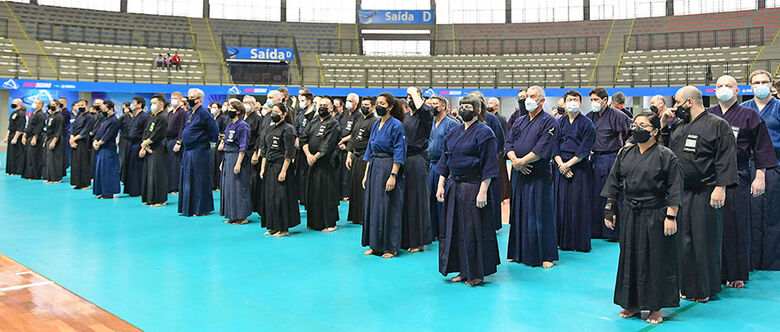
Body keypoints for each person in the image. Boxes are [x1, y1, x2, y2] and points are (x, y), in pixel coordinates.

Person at [602, 111, 683, 324]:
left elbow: (674, 187)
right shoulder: (625, 153)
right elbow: (614, 182)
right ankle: (632, 303)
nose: (637, 129)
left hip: (655, 211)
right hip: (630, 209)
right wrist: (610, 209)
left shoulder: (666, 155)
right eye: (635, 124)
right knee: (629, 256)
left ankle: (656, 307)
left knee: (655, 258)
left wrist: (671, 216)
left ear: (655, 131)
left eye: (643, 125)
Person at [662, 86, 737, 303]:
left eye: (677, 102)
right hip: (680, 191)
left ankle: (704, 288)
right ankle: (684, 285)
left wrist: (720, 187)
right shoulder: (678, 125)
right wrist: (664, 125)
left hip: (706, 191)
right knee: (681, 241)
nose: (675, 107)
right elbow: (666, 152)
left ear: (689, 102)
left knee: (703, 240)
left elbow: (725, 157)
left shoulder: (717, 125)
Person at [708, 75, 777, 288]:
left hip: (739, 175)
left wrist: (760, 175)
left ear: (737, 90)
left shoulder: (749, 115)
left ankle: (736, 273)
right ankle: (712, 271)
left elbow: (762, 148)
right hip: (711, 177)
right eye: (720, 86)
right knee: (711, 226)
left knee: (736, 224)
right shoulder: (708, 115)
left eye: (728, 86)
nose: (724, 89)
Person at [435, 94, 500, 286]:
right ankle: (463, 270)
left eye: (468, 106)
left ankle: (476, 273)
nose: (464, 109)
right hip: (454, 186)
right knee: (455, 230)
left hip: (474, 186)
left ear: (478, 110)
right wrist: (440, 184)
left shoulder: (485, 132)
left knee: (473, 231)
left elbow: (489, 163)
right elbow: (444, 160)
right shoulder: (454, 132)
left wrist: (483, 190)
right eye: (461, 105)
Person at [505, 86, 559, 268]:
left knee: (540, 213)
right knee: (519, 211)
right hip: (520, 174)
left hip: (538, 174)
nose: (527, 99)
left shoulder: (550, 122)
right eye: (526, 96)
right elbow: (509, 142)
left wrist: (522, 161)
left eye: (532, 96)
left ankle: (545, 255)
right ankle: (517, 251)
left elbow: (543, 147)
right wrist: (515, 160)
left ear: (541, 100)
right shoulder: (519, 121)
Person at [741, 70, 780, 271]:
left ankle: (772, 261)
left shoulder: (779, 108)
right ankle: (752, 259)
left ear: (771, 84)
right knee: (751, 214)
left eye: (765, 81)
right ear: (751, 86)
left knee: (773, 214)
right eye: (757, 82)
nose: (761, 85)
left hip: (775, 166)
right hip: (749, 167)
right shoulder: (744, 109)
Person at [362, 92, 408, 258]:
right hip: (374, 168)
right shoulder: (375, 125)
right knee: (373, 207)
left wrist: (393, 175)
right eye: (378, 103)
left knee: (389, 207)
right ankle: (375, 245)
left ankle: (391, 247)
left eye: (382, 103)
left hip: (388, 168)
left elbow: (399, 151)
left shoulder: (396, 126)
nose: (379, 106)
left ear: (390, 106)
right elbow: (370, 149)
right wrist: (366, 174)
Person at [553, 90, 596, 252]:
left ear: (581, 103)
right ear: (564, 103)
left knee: (578, 204)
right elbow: (554, 146)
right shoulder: (559, 123)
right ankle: (560, 240)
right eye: (569, 99)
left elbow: (585, 149)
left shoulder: (587, 124)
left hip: (579, 168)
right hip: (560, 166)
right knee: (560, 204)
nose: (572, 102)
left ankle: (578, 242)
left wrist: (568, 165)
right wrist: (561, 165)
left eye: (575, 99)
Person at [588, 88, 633, 241]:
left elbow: (633, 131)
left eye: (596, 99)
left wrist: (628, 145)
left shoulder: (618, 115)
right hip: (595, 159)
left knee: (613, 195)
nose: (593, 103)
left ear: (605, 100)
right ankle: (596, 230)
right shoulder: (590, 117)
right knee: (595, 195)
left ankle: (614, 232)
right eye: (591, 100)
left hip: (611, 158)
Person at [301, 96, 341, 232]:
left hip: (326, 164)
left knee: (327, 194)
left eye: (325, 105)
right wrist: (308, 155)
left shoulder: (333, 123)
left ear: (331, 108)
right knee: (313, 193)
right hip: (311, 163)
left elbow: (328, 144)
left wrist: (315, 156)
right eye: (320, 105)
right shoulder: (314, 120)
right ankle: (314, 222)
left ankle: (330, 223)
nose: (322, 107)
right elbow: (304, 137)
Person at [259, 103, 300, 235]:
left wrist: (283, 171)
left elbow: (289, 152)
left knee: (280, 197)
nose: (274, 114)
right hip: (270, 166)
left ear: (284, 114)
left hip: (281, 165)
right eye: (273, 112)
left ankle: (283, 228)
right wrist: (262, 168)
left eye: (277, 112)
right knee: (270, 197)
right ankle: (273, 225)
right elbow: (265, 150)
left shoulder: (288, 129)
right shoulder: (270, 128)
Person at [402, 87, 435, 252]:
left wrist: (414, 92)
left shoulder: (425, 116)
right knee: (405, 200)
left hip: (418, 160)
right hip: (403, 161)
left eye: (413, 97)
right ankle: (405, 238)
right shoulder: (406, 117)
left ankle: (417, 241)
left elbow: (425, 109)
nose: (410, 99)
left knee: (417, 201)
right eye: (407, 97)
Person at [178, 88, 220, 217]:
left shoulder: (204, 113)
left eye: (192, 97)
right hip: (188, 150)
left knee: (199, 179)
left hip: (200, 150)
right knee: (188, 179)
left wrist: (208, 142)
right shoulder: (191, 113)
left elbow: (214, 131)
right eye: (189, 97)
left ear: (199, 99)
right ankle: (189, 207)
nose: (190, 99)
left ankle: (201, 208)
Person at [428, 96, 459, 239]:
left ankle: (444, 232)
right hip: (431, 165)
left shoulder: (451, 125)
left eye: (436, 104)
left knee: (443, 200)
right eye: (431, 104)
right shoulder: (431, 123)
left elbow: (452, 149)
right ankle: (433, 232)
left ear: (443, 106)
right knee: (431, 200)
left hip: (444, 167)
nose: (433, 106)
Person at [346, 97, 379, 225]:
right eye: (363, 104)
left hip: (365, 156)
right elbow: (353, 137)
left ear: (373, 107)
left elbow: (372, 143)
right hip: (355, 155)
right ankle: (355, 216)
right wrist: (349, 155)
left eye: (367, 105)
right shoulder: (359, 119)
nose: (364, 107)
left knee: (363, 186)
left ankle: (363, 216)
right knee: (354, 186)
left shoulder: (374, 122)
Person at [218, 99, 251, 225]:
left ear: (238, 111)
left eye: (231, 108)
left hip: (237, 157)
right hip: (228, 156)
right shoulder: (229, 125)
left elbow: (243, 146)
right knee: (228, 188)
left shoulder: (243, 126)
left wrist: (238, 163)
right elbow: (226, 142)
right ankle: (231, 214)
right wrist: (223, 161)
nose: (228, 111)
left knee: (238, 187)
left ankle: (242, 216)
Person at [140, 94, 169, 207]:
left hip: (158, 148)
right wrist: (144, 145)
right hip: (149, 148)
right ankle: (149, 198)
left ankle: (160, 199)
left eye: (154, 103)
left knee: (158, 175)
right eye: (151, 103)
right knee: (148, 175)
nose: (152, 105)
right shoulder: (152, 117)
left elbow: (158, 133)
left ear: (161, 104)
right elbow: (146, 132)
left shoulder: (163, 117)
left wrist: (147, 142)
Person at [245, 95, 269, 220]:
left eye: (249, 102)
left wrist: (256, 152)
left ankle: (256, 206)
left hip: (252, 152)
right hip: (242, 151)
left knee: (254, 180)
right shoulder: (242, 118)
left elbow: (260, 136)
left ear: (254, 105)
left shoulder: (258, 119)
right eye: (244, 102)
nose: (246, 104)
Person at [92, 101, 121, 199]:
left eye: (105, 109)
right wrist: (95, 141)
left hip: (109, 148)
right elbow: (99, 132)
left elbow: (109, 135)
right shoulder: (104, 120)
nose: (103, 111)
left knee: (108, 171)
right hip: (101, 148)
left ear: (111, 109)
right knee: (100, 170)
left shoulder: (115, 121)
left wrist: (99, 142)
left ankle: (108, 192)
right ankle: (101, 191)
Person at [124, 97, 149, 197]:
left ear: (139, 105)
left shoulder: (144, 117)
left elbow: (145, 132)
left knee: (137, 168)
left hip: (138, 144)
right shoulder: (135, 116)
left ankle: (138, 190)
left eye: (133, 103)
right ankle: (131, 189)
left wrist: (143, 147)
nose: (132, 105)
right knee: (131, 168)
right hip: (131, 144)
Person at [294, 91, 316, 205]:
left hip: (309, 147)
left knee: (307, 173)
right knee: (300, 172)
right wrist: (297, 137)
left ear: (309, 101)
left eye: (303, 101)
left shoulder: (314, 114)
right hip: (299, 148)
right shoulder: (301, 113)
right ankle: (300, 196)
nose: (301, 103)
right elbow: (296, 127)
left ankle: (307, 197)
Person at [338, 93, 360, 201]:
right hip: (340, 147)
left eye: (350, 101)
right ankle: (340, 193)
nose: (348, 102)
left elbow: (355, 132)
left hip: (350, 148)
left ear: (356, 103)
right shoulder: (344, 114)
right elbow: (337, 127)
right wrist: (339, 141)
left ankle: (347, 194)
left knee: (348, 172)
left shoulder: (358, 116)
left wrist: (344, 141)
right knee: (340, 171)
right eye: (347, 100)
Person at [69, 100, 94, 189]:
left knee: (83, 163)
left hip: (83, 142)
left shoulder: (89, 117)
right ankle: (77, 183)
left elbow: (85, 131)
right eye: (79, 105)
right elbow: (73, 127)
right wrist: (71, 138)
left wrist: (74, 139)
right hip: (74, 141)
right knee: (75, 163)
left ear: (86, 106)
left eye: (82, 105)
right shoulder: (78, 116)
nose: (80, 107)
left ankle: (85, 183)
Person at [167, 92, 187, 194]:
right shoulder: (170, 113)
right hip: (168, 140)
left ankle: (176, 187)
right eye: (171, 98)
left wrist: (179, 142)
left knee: (175, 164)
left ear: (180, 100)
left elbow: (182, 127)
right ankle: (169, 185)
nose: (172, 100)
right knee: (169, 164)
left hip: (176, 140)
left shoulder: (182, 112)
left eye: (175, 98)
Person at [22, 99, 46, 180]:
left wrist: (35, 137)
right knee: (29, 156)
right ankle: (28, 173)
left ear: (40, 105)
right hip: (29, 136)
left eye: (36, 103)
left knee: (35, 156)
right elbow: (29, 126)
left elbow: (39, 127)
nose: (34, 104)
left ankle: (34, 174)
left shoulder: (41, 115)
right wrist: (24, 135)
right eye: (34, 102)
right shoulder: (33, 114)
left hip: (36, 138)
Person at [42, 101, 65, 183]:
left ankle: (56, 178)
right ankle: (49, 177)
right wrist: (46, 140)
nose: (51, 106)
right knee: (49, 158)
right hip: (49, 138)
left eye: (54, 105)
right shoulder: (50, 116)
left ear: (58, 106)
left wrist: (54, 141)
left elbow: (59, 130)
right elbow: (48, 129)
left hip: (56, 139)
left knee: (55, 158)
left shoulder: (59, 117)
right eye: (51, 105)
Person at [210, 102, 229, 190]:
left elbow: (224, 132)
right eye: (212, 107)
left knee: (218, 162)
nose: (212, 109)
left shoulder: (222, 119)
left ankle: (218, 183)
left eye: (215, 107)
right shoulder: (211, 118)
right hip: (212, 143)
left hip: (219, 142)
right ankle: (212, 183)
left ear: (219, 109)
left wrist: (222, 142)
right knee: (212, 163)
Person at [4, 99, 26, 175]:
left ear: (19, 104)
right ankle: (11, 170)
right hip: (12, 134)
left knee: (17, 153)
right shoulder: (13, 113)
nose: (12, 104)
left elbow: (20, 127)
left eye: (14, 103)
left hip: (17, 135)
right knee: (11, 153)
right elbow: (10, 126)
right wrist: (6, 137)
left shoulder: (21, 114)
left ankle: (17, 170)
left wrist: (15, 138)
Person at [118, 102, 133, 183]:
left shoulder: (136, 117)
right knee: (122, 159)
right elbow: (117, 127)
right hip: (123, 140)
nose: (125, 109)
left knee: (131, 159)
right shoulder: (123, 117)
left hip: (133, 141)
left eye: (126, 107)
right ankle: (122, 178)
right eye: (124, 108)